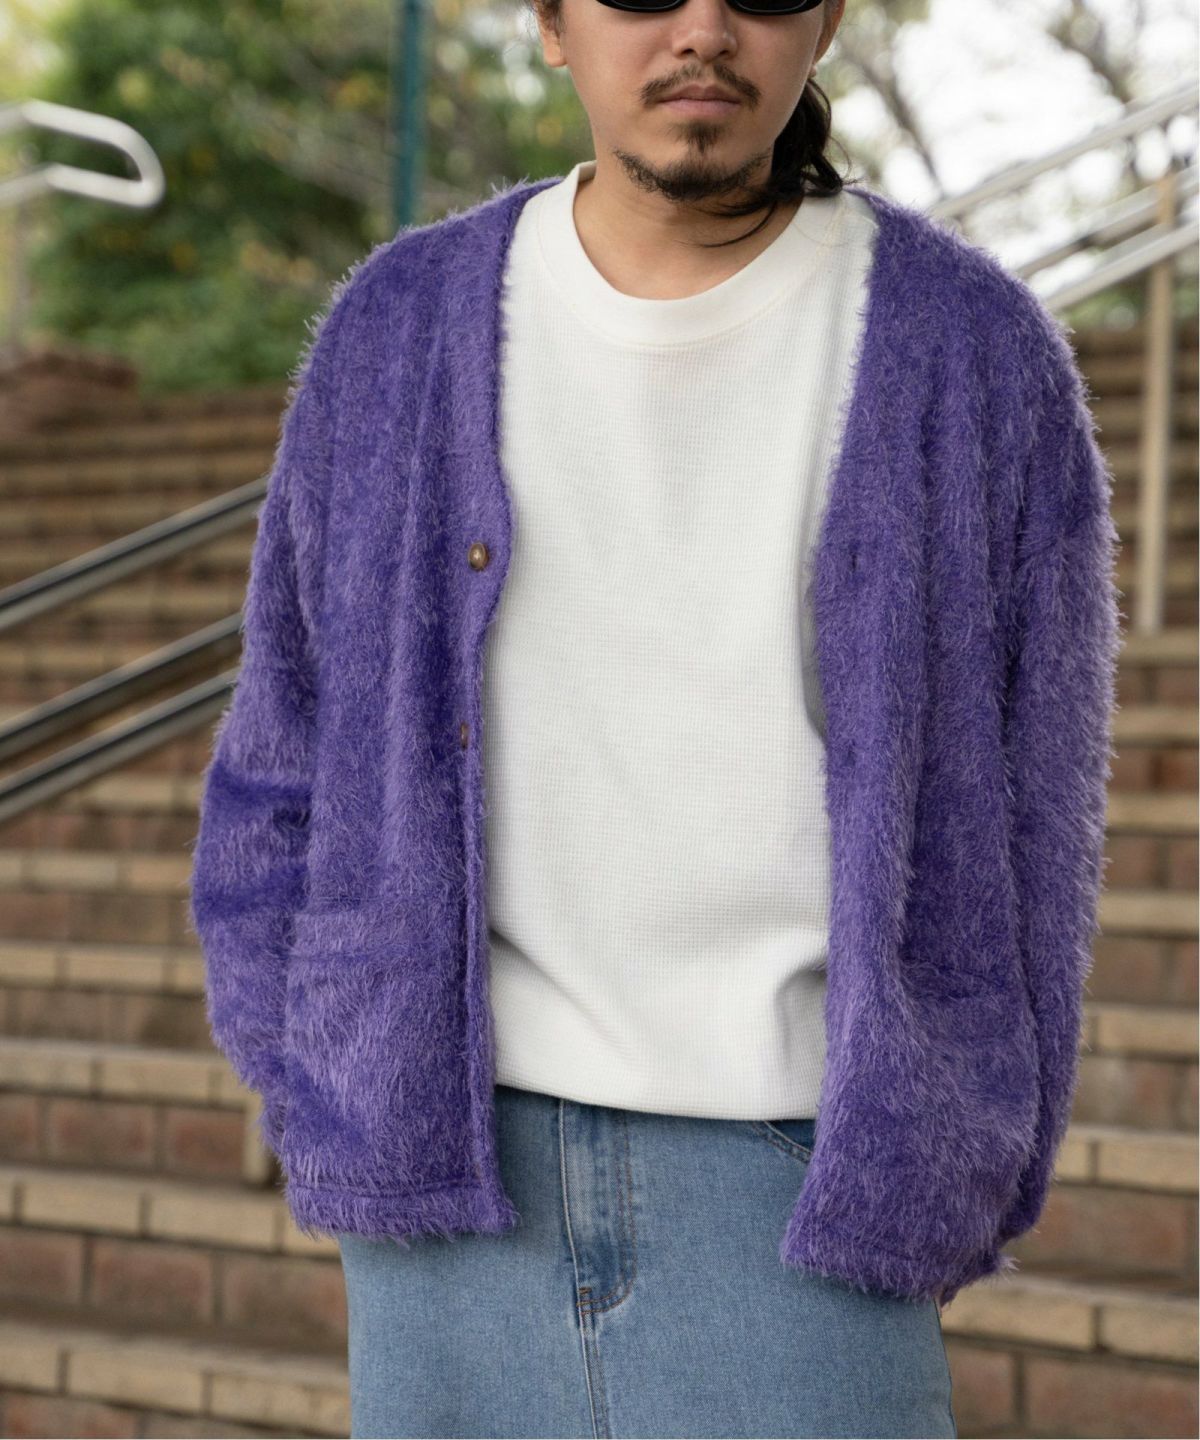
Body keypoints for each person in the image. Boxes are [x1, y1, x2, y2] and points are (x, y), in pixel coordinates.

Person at [189, 0, 1121, 1433]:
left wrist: (952, 1159)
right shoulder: (398, 330)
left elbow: (1042, 814)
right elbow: (280, 753)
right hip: (447, 1183)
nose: (702, 27)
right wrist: (319, 1070)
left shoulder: (970, 351)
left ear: (826, 21)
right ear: (551, 25)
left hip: (806, 1188)